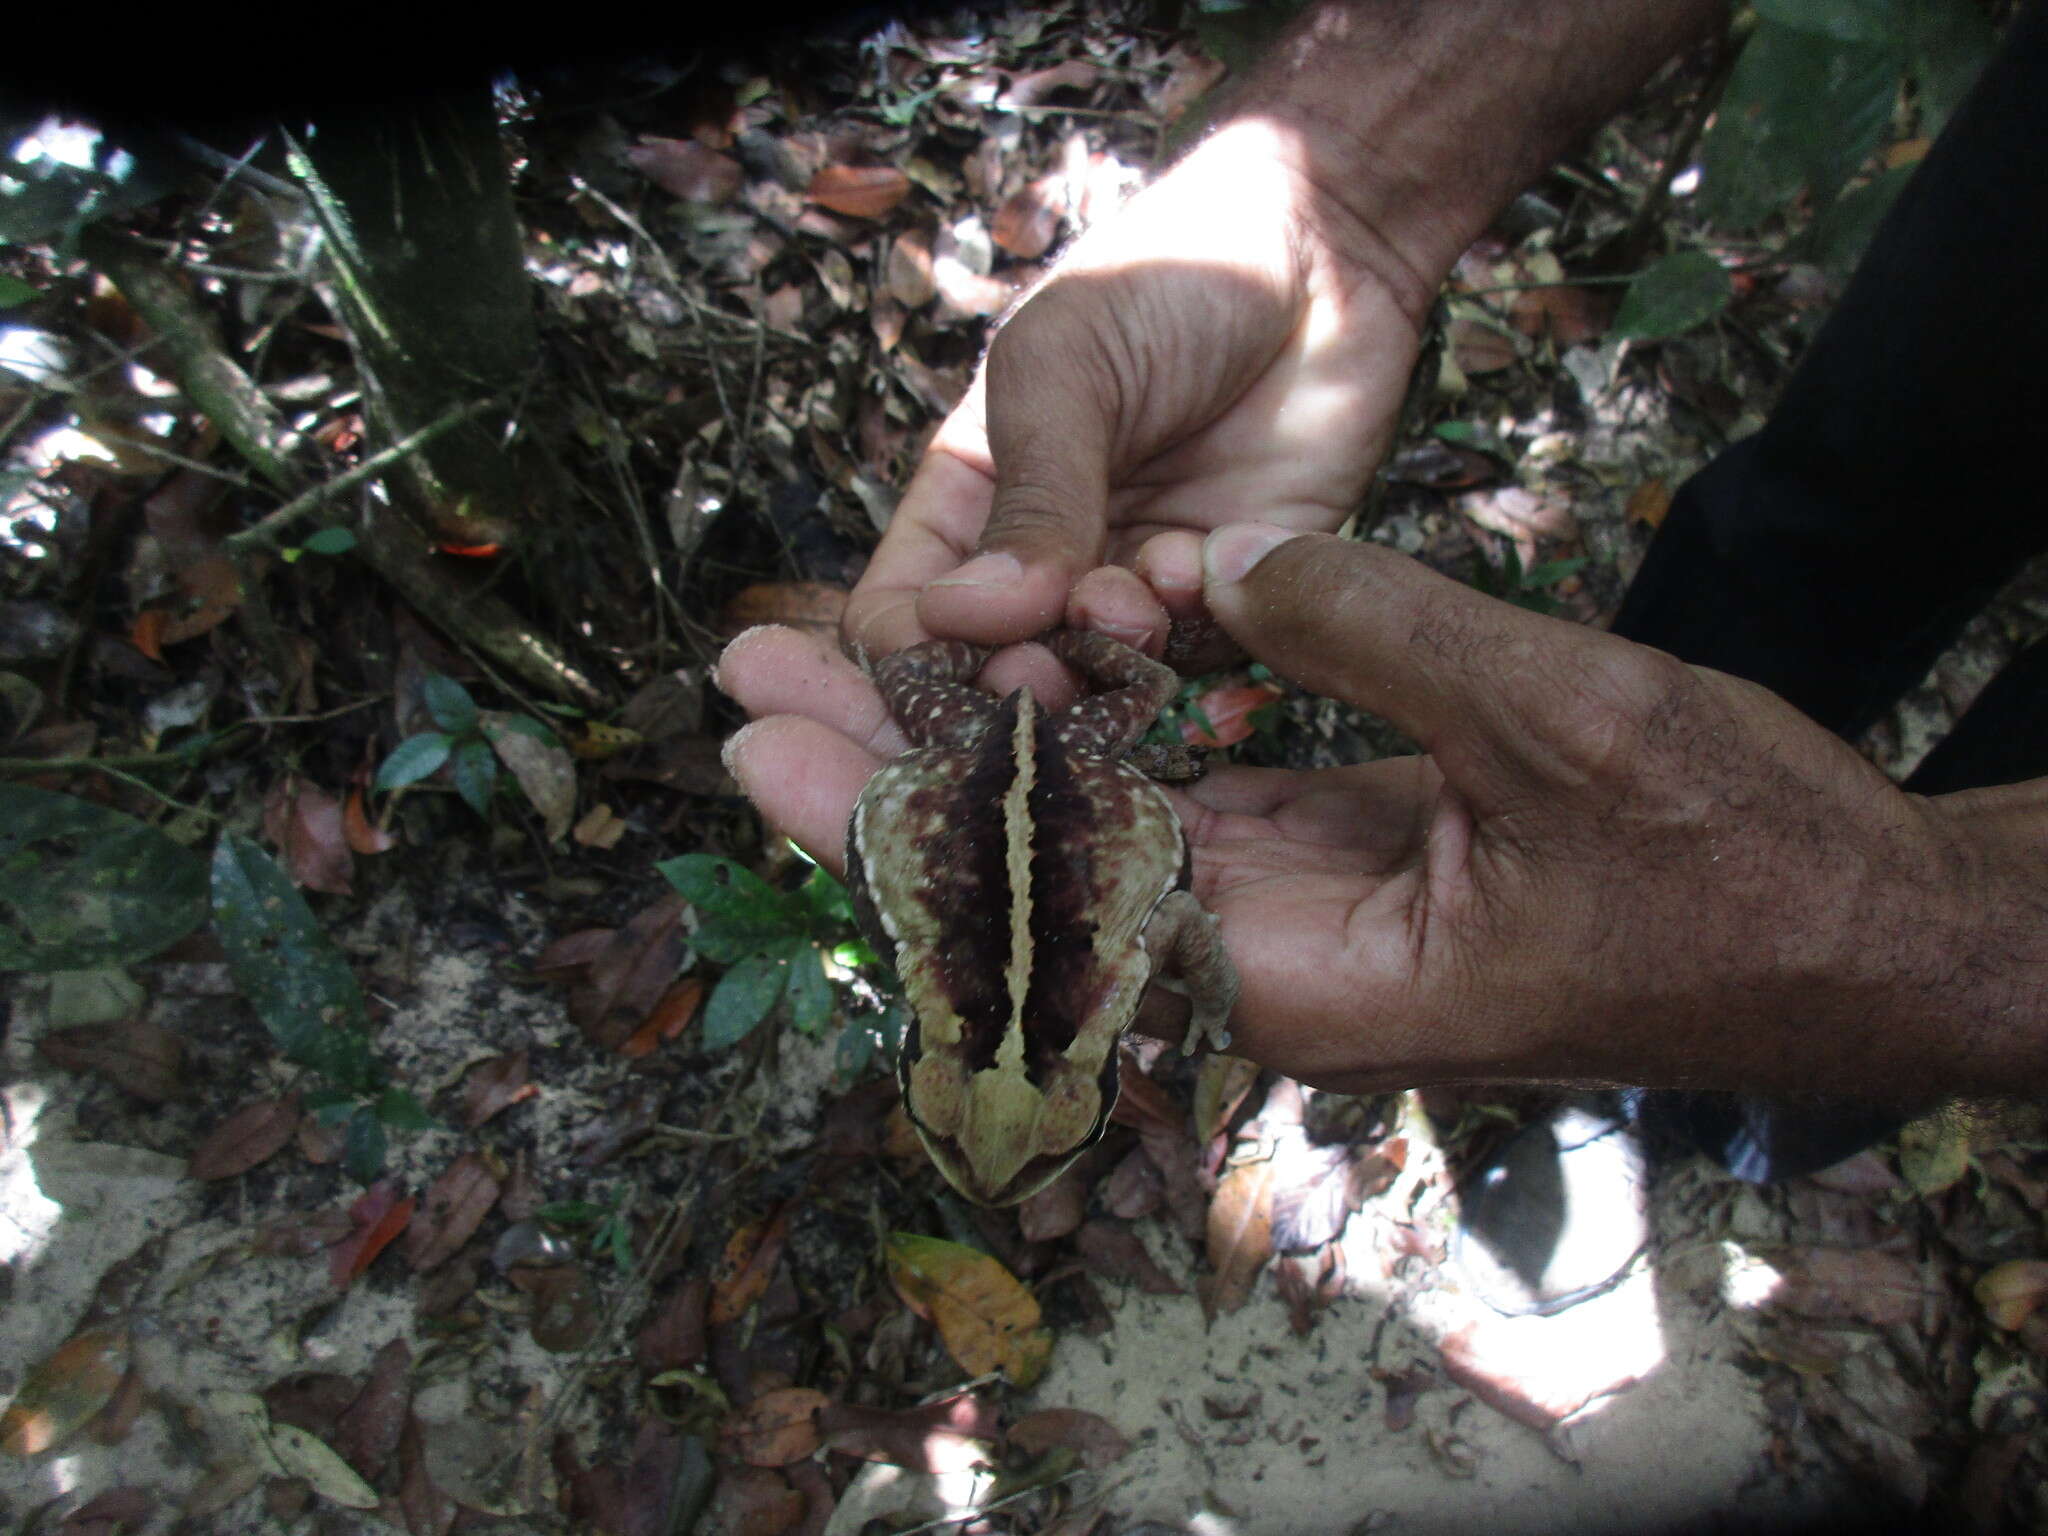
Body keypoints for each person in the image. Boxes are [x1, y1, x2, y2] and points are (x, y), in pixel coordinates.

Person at [718, 0, 2048, 1146]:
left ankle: (1766, 1092)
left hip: (1035, 772)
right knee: (1828, 501)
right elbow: (1162, 922)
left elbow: (1166, 925)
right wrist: (1331, 185)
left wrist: (1924, 948)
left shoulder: (1053, 922)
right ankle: (1694, 1044)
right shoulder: (1051, 919)